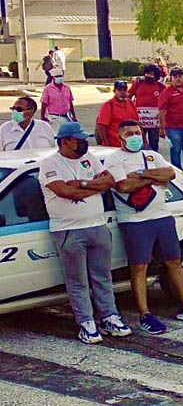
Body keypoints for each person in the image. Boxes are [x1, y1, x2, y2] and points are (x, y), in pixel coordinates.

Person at [105, 120, 183, 334]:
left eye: (137, 132)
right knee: (139, 267)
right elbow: (123, 185)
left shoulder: (151, 155)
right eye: (129, 133)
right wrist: (153, 177)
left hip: (162, 217)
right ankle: (145, 314)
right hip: (135, 221)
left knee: (174, 262)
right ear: (120, 136)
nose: (135, 136)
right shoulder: (115, 159)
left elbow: (169, 175)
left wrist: (141, 175)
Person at [39, 122, 132, 343]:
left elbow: (109, 181)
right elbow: (63, 191)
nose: (84, 143)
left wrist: (82, 184)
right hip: (69, 229)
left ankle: (109, 316)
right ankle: (86, 322)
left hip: (97, 226)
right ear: (65, 141)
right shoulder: (50, 164)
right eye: (78, 140)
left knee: (102, 276)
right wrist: (93, 186)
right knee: (77, 280)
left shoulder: (88, 157)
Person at [129, 64, 165, 151]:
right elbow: (128, 96)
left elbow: (166, 102)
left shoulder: (160, 87)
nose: (149, 76)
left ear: (156, 76)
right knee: (139, 141)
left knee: (154, 143)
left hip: (154, 121)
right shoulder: (138, 83)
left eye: (152, 74)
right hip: (139, 119)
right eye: (147, 73)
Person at [96, 80, 139, 147]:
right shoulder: (108, 105)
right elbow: (101, 126)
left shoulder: (131, 104)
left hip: (131, 144)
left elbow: (137, 123)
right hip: (114, 145)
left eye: (124, 90)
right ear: (114, 91)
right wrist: (107, 143)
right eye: (119, 90)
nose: (122, 92)